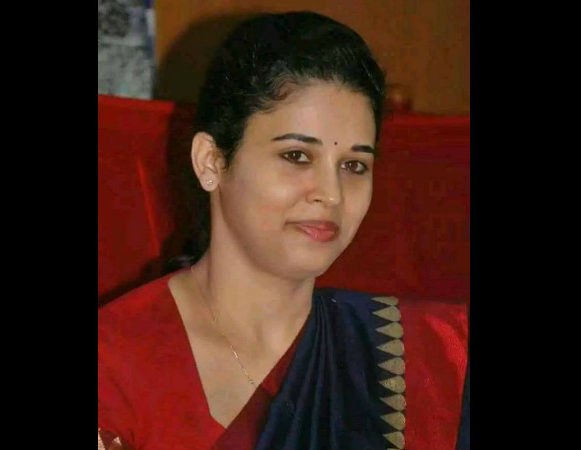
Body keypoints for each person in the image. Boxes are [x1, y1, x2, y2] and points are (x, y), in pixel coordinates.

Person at [98, 11, 469, 450]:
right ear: (211, 162)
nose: (331, 194)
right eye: (296, 156)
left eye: (354, 165)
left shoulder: (431, 360)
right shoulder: (115, 362)